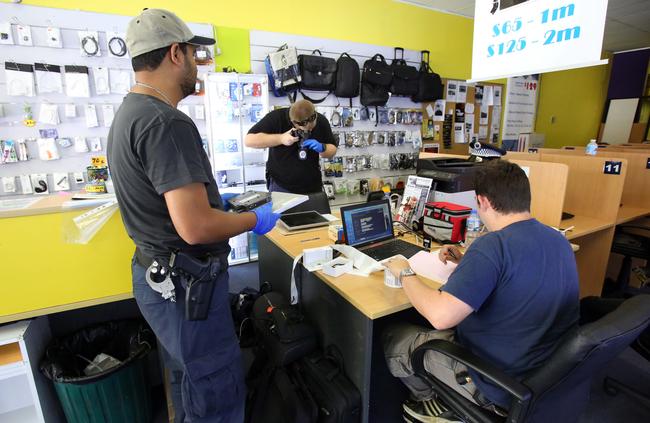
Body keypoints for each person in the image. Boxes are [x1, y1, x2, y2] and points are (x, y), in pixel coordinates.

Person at [107, 9, 280, 422]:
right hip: (187, 289)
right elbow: (196, 227)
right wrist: (252, 220)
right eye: (193, 53)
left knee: (188, 379)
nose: (197, 63)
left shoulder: (128, 115)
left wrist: (220, 203)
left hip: (159, 281)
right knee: (216, 387)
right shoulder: (166, 122)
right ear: (174, 53)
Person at [383, 160, 579, 421]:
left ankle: (432, 403)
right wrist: (467, 263)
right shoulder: (558, 240)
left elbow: (440, 316)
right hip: (546, 375)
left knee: (395, 336)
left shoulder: (492, 245)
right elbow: (518, 276)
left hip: (495, 382)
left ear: (482, 201)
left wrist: (403, 271)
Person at [244, 99, 338, 193]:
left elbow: (332, 150)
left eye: (311, 128)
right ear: (294, 122)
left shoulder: (321, 121)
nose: (307, 131)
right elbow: (249, 140)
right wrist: (280, 139)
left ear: (315, 115)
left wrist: (323, 148)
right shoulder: (276, 117)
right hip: (281, 186)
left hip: (312, 185)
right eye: (303, 129)